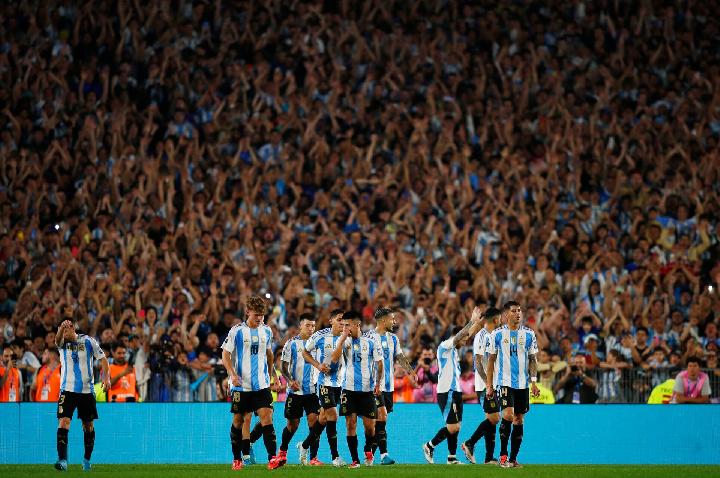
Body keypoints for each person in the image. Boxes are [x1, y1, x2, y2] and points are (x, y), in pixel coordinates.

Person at [221, 296, 282, 470]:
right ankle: (237, 459)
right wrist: (231, 374)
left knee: (267, 417)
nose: (259, 318)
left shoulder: (267, 331)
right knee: (239, 421)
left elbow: (269, 354)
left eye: (262, 315)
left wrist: (274, 375)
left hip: (262, 385)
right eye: (256, 315)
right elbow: (225, 354)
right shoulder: (237, 331)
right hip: (241, 385)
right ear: (248, 312)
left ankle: (272, 459)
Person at [423, 307, 483, 465]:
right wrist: (471, 321)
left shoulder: (454, 350)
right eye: (463, 340)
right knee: (453, 427)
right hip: (446, 391)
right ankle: (430, 445)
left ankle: (451, 458)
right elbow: (461, 336)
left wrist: (479, 321)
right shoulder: (445, 345)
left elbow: (467, 335)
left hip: (456, 391)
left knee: (456, 427)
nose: (465, 343)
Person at [486, 302, 540, 468]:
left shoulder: (529, 334)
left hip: (523, 384)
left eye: (519, 311)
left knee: (519, 419)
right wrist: (489, 385)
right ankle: (503, 456)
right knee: (508, 415)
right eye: (514, 311)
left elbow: (532, 360)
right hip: (504, 382)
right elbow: (491, 360)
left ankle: (513, 459)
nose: (518, 314)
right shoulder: (496, 334)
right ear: (506, 315)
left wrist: (534, 382)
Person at [54, 319, 111, 471]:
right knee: (64, 422)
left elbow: (103, 359)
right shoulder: (62, 344)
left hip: (87, 391)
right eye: (61, 330)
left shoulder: (88, 341)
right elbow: (57, 340)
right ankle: (63, 461)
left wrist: (106, 378)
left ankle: (86, 460)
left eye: (66, 329)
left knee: (88, 426)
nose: (63, 332)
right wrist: (61, 328)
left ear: (73, 328)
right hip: (67, 390)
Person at [365, 307, 418, 465]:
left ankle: (369, 455)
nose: (394, 322)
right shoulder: (368, 338)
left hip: (388, 387)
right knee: (382, 417)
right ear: (382, 320)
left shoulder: (393, 339)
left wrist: (410, 371)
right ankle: (384, 455)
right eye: (392, 319)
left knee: (380, 423)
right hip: (374, 386)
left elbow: (399, 356)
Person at [332, 310, 383, 469]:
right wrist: (341, 339)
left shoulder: (371, 342)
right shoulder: (343, 342)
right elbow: (334, 360)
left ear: (357, 325)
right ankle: (355, 460)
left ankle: (368, 449)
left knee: (370, 427)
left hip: (367, 390)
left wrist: (378, 384)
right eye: (343, 325)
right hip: (348, 389)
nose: (345, 328)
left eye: (348, 325)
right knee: (351, 424)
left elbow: (379, 364)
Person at [300, 309, 347, 467]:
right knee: (333, 415)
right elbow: (305, 353)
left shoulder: (347, 337)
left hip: (340, 383)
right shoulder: (319, 336)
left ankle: (305, 445)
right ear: (331, 320)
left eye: (344, 320)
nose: (342, 323)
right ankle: (335, 457)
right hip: (323, 382)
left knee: (323, 418)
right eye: (339, 319)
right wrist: (318, 365)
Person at [277, 314, 323, 466]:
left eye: (313, 326)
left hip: (312, 392)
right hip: (295, 392)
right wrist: (290, 380)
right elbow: (283, 366)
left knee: (314, 423)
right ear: (300, 326)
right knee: (292, 425)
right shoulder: (291, 344)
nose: (311, 329)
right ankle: (283, 452)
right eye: (308, 325)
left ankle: (313, 458)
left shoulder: (317, 343)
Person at [462, 307, 502, 465]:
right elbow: (477, 361)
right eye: (499, 319)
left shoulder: (493, 336)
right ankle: (469, 443)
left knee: (491, 420)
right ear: (495, 319)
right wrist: (488, 382)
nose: (500, 321)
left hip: (493, 384)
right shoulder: (482, 336)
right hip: (485, 384)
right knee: (494, 418)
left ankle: (489, 458)